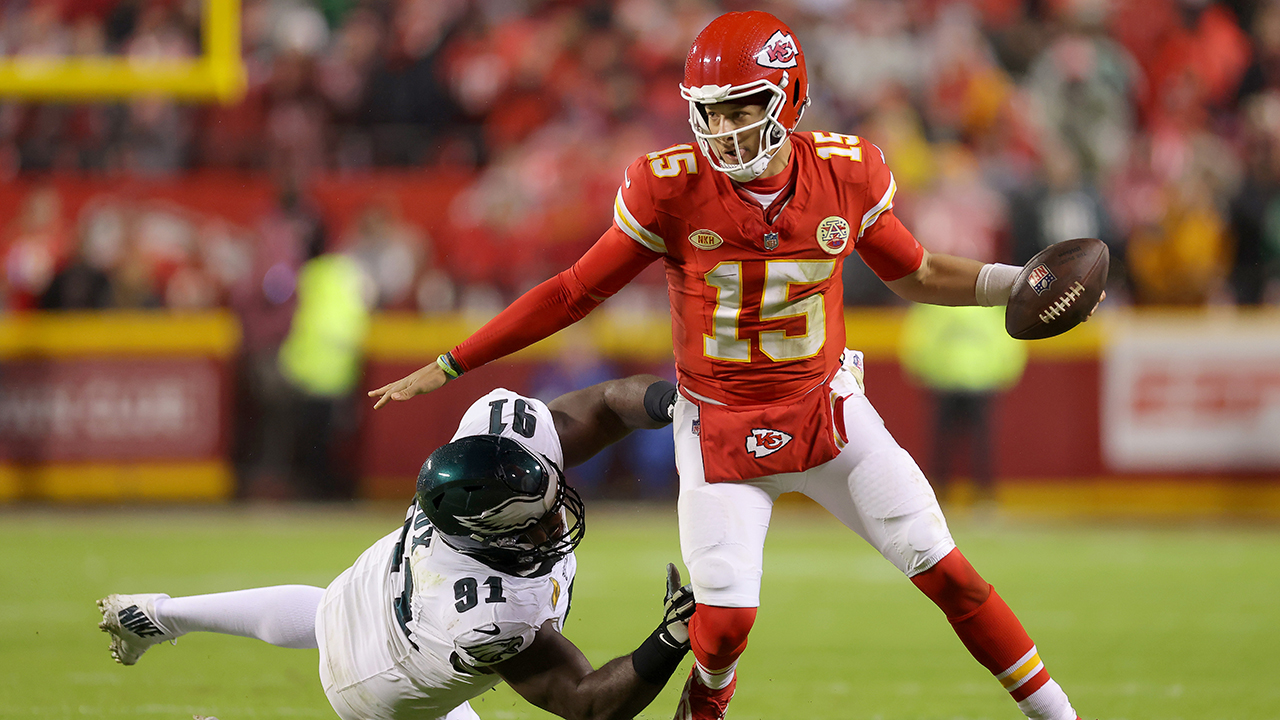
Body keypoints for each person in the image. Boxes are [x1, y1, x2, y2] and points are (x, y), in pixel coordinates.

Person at [369, 12, 1097, 720]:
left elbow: (917, 271)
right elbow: (572, 291)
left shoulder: (849, 171)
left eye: (742, 107)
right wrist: (453, 360)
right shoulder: (669, 186)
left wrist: (1015, 282)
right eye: (709, 113)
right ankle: (707, 702)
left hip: (828, 412)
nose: (723, 130)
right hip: (719, 428)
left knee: (953, 577)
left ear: (790, 95)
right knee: (723, 629)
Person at [98, 374, 696, 720]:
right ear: (487, 536)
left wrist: (677, 404)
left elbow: (605, 403)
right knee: (336, 635)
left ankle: (157, 613)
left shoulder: (494, 449)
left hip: (377, 583)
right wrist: (669, 641)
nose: (553, 526)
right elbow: (584, 702)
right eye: (534, 526)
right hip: (382, 683)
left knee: (330, 610)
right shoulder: (486, 614)